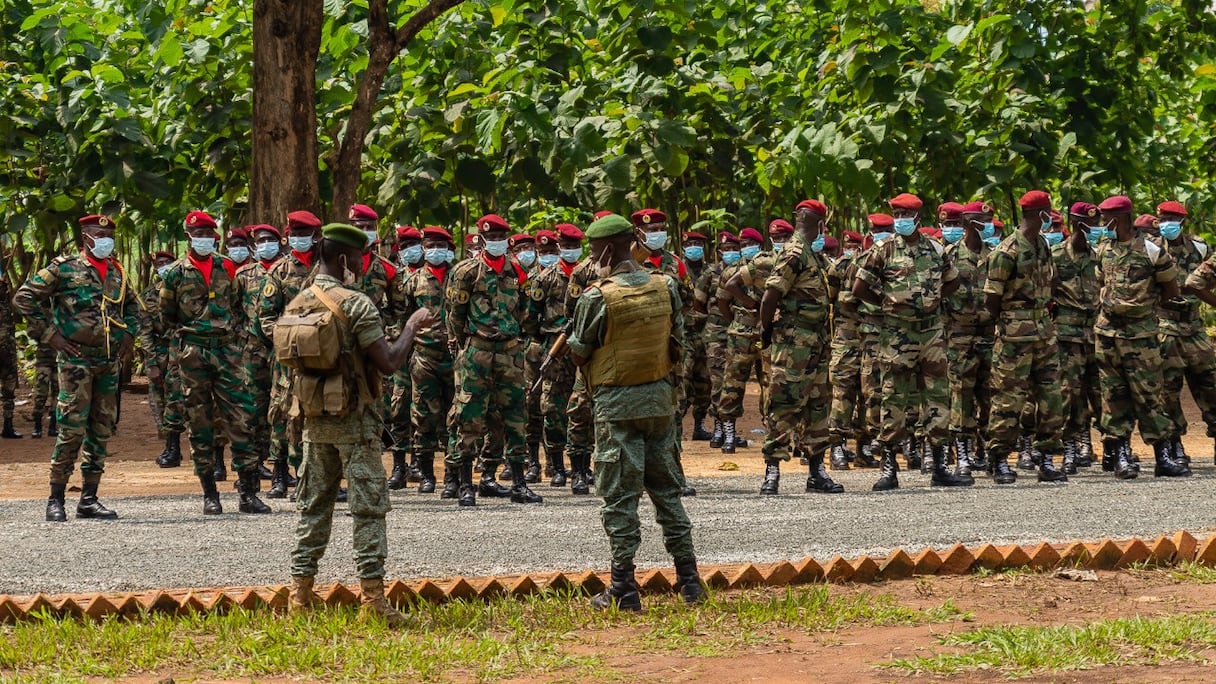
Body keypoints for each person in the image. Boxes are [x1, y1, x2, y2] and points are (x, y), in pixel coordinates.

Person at [286, 222, 432, 628]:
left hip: (315, 421)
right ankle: (373, 600)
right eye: (362, 258)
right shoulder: (356, 303)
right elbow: (387, 361)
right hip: (356, 422)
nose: (364, 265)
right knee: (368, 509)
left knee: (313, 507)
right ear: (347, 259)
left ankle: (299, 595)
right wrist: (412, 327)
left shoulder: (298, 301)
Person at [567, 213, 703, 611]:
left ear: (608, 249)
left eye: (594, 252)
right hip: (660, 402)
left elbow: (579, 352)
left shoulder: (597, 295)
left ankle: (624, 587)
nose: (593, 261)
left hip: (617, 405)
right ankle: (690, 580)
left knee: (620, 498)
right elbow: (678, 342)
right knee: (668, 493)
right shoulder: (666, 286)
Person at [14, 214, 138, 521]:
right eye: (100, 234)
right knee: (71, 429)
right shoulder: (64, 268)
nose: (106, 239)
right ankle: (56, 498)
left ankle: (89, 498)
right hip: (75, 361)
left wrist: (129, 334)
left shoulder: (116, 270)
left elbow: (133, 306)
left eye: (109, 234)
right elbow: (24, 298)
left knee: (101, 428)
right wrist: (49, 335)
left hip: (107, 362)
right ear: (86, 237)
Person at [852, 193, 970, 490]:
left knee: (938, 397)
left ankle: (940, 465)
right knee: (893, 398)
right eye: (897, 214)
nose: (900, 219)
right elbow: (859, 286)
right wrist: (886, 304)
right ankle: (889, 467)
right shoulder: (884, 249)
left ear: (918, 217)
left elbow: (953, 281)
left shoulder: (935, 249)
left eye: (905, 214)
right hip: (897, 334)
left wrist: (932, 301)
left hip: (931, 332)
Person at [161, 211, 271, 514]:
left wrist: (230, 336)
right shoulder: (175, 273)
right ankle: (210, 493)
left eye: (209, 235)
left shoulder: (227, 267)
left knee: (241, 417)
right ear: (188, 237)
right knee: (200, 422)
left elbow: (236, 306)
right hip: (193, 353)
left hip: (227, 351)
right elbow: (166, 314)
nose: (204, 240)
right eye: (199, 235)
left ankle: (248, 492)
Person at [444, 214, 543, 506]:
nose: (497, 242)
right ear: (483, 240)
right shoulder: (466, 272)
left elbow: (525, 311)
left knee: (515, 415)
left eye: (502, 238)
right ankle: (464, 484)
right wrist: (466, 346)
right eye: (493, 238)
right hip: (477, 352)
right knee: (469, 414)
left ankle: (519, 484)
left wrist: (515, 338)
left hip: (510, 352)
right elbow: (455, 315)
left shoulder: (518, 272)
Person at [1093, 195, 1189, 479]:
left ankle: (1163, 457)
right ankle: (1122, 456)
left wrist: (1142, 307)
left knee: (1149, 395)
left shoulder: (1151, 250)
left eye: (1105, 218)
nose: (1102, 225)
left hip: (1141, 335)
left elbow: (1171, 290)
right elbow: (1102, 281)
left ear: (1119, 218)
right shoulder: (1103, 249)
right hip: (1108, 334)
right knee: (1113, 395)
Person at [982, 191, 1067, 484]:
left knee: (1050, 398)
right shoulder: (1006, 252)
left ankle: (1046, 456)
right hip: (1014, 339)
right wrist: (1009, 325)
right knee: (1008, 400)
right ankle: (999, 458)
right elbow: (991, 299)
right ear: (1037, 214)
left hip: (1044, 334)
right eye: (1048, 212)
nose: (1051, 217)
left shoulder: (1042, 245)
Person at [758, 201, 840, 494]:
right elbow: (770, 296)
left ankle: (817, 471)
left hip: (816, 342)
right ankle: (772, 471)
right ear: (819, 224)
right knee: (785, 403)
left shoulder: (810, 254)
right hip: (793, 343)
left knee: (818, 403)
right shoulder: (794, 252)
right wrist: (766, 331)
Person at [260, 210, 324, 498]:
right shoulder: (280, 271)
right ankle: (279, 474)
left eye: (304, 234)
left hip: (323, 356)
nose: (298, 239)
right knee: (284, 413)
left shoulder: (331, 268)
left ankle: (315, 476)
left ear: (316, 237)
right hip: (288, 358)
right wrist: (288, 341)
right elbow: (266, 317)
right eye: (294, 234)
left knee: (321, 412)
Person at [1153, 200, 1216, 466]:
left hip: (1193, 327)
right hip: (1163, 326)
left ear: (1182, 221)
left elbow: (1208, 277)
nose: (1167, 222)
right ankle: (1175, 443)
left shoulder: (1200, 247)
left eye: (1172, 218)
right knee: (1168, 389)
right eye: (1163, 217)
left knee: (1209, 384)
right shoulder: (1152, 248)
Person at [400, 226, 456, 496]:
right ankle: (427, 474)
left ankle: (452, 475)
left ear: (448, 249)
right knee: (423, 417)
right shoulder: (412, 281)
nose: (434, 250)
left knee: (454, 416)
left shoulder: (459, 277)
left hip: (455, 359)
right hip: (424, 358)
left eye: (439, 245)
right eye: (430, 245)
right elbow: (401, 319)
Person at [1053, 203, 1102, 469]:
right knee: (1069, 393)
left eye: (1097, 225)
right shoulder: (1056, 255)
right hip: (1066, 336)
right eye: (1089, 225)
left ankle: (1110, 447)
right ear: (1075, 225)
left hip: (1097, 333)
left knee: (1100, 392)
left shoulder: (1101, 254)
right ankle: (1070, 445)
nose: (1095, 230)